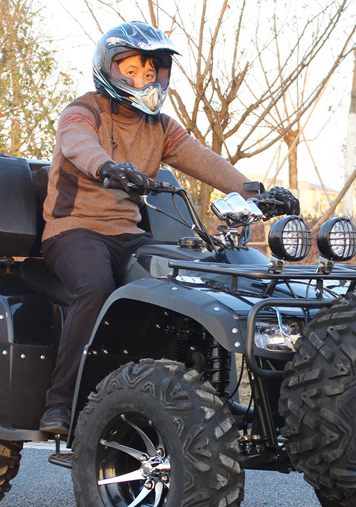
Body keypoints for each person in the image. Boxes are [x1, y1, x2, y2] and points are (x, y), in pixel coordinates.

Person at [38, 21, 298, 435]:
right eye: (132, 71)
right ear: (109, 68)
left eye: (151, 72)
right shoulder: (84, 110)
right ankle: (60, 403)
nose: (143, 80)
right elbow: (76, 143)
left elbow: (202, 158)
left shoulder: (160, 125)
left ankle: (202, 394)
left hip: (129, 234)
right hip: (74, 230)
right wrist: (107, 167)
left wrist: (256, 191)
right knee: (94, 288)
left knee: (194, 281)